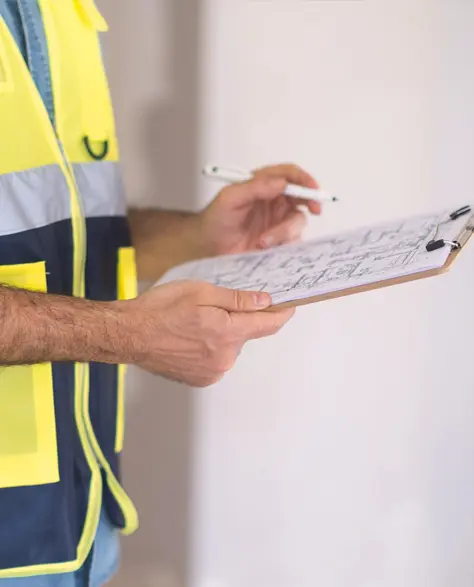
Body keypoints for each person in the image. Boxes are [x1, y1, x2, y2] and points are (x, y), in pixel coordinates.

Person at [0, 1, 321, 586]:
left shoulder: (59, 12)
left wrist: (195, 235)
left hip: (79, 526)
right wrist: (132, 335)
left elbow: (53, 233)